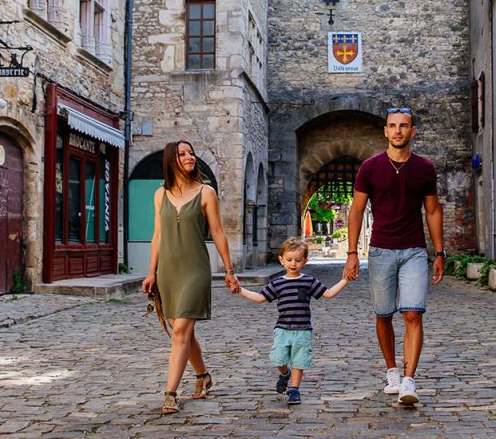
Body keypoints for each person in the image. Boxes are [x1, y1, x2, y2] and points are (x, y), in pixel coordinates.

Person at [343, 108, 445, 406]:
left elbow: (433, 210)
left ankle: (409, 380)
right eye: (392, 126)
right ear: (385, 132)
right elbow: (357, 210)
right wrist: (351, 253)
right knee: (383, 314)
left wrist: (439, 252)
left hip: (414, 250)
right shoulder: (370, 168)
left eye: (404, 126)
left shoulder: (425, 168)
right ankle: (392, 372)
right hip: (380, 250)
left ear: (413, 131)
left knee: (413, 313)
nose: (398, 131)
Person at [141, 139, 240, 414]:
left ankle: (170, 393)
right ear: (171, 161)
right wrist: (151, 272)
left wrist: (229, 270)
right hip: (168, 272)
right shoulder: (160, 195)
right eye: (182, 154)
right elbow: (157, 237)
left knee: (181, 330)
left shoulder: (206, 192)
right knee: (183, 331)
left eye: (191, 153)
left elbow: (218, 232)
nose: (189, 157)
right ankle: (203, 376)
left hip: (195, 269)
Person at [237, 237, 349, 405]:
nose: (293, 264)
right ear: (282, 260)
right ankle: (284, 374)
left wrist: (345, 280)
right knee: (279, 359)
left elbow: (328, 294)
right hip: (282, 329)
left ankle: (294, 390)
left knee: (299, 360)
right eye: (289, 260)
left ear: (305, 261)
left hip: (303, 329)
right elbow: (260, 298)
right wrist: (240, 290)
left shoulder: (308, 281)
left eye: (297, 260)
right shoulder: (278, 283)